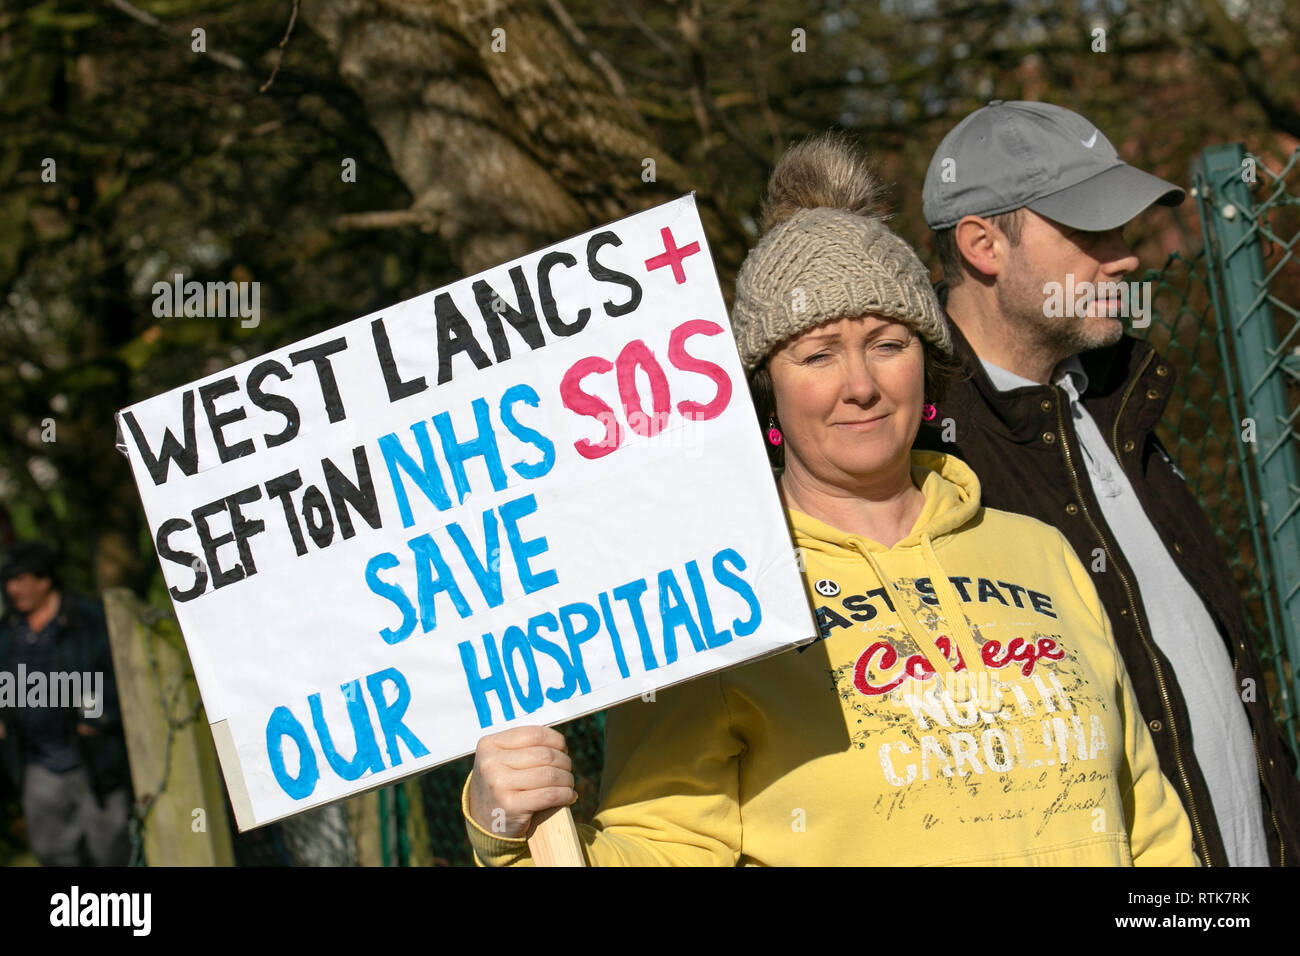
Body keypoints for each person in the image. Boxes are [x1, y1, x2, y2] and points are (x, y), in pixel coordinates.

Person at [457, 134, 1198, 865]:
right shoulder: (722, 597)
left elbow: (1150, 822)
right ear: (768, 391)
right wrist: (509, 830)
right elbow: (660, 852)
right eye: (817, 354)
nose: (861, 385)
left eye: (887, 342)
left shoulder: (1040, 552)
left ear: (928, 362)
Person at [914, 100, 1300, 866]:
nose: (1124, 257)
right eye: (1090, 231)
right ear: (983, 244)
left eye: (1122, 230)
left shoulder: (1119, 401)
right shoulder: (925, 461)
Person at [0, 541, 133, 866]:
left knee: (111, 850)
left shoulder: (88, 620)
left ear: (44, 580)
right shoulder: (7, 633)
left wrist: (95, 718)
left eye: (20, 579)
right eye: (8, 581)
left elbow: (115, 673)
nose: (12, 588)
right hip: (38, 763)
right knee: (51, 852)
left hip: (93, 759)